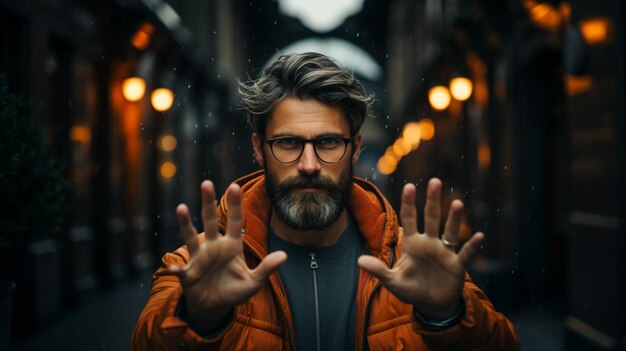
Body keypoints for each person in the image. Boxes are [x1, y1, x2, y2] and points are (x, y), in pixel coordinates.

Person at [132, 52, 520, 350]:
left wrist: (446, 317)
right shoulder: (195, 265)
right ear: (258, 148)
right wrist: (199, 319)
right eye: (287, 143)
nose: (308, 165)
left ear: (355, 149)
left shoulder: (414, 261)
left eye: (328, 142)